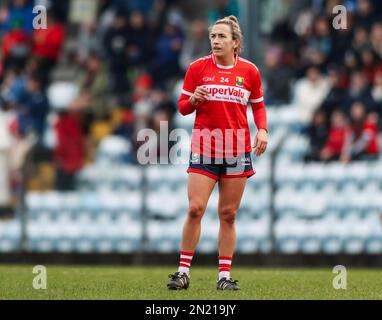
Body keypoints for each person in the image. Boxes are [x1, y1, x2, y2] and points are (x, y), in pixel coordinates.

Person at [167, 15, 268, 291]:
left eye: (221, 36)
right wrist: (193, 100)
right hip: (205, 146)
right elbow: (182, 107)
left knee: (228, 214)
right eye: (213, 36)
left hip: (236, 149)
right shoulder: (197, 68)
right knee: (195, 208)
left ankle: (224, 276)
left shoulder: (249, 71)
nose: (215, 41)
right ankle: (182, 271)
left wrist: (262, 130)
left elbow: (258, 106)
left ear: (236, 43)